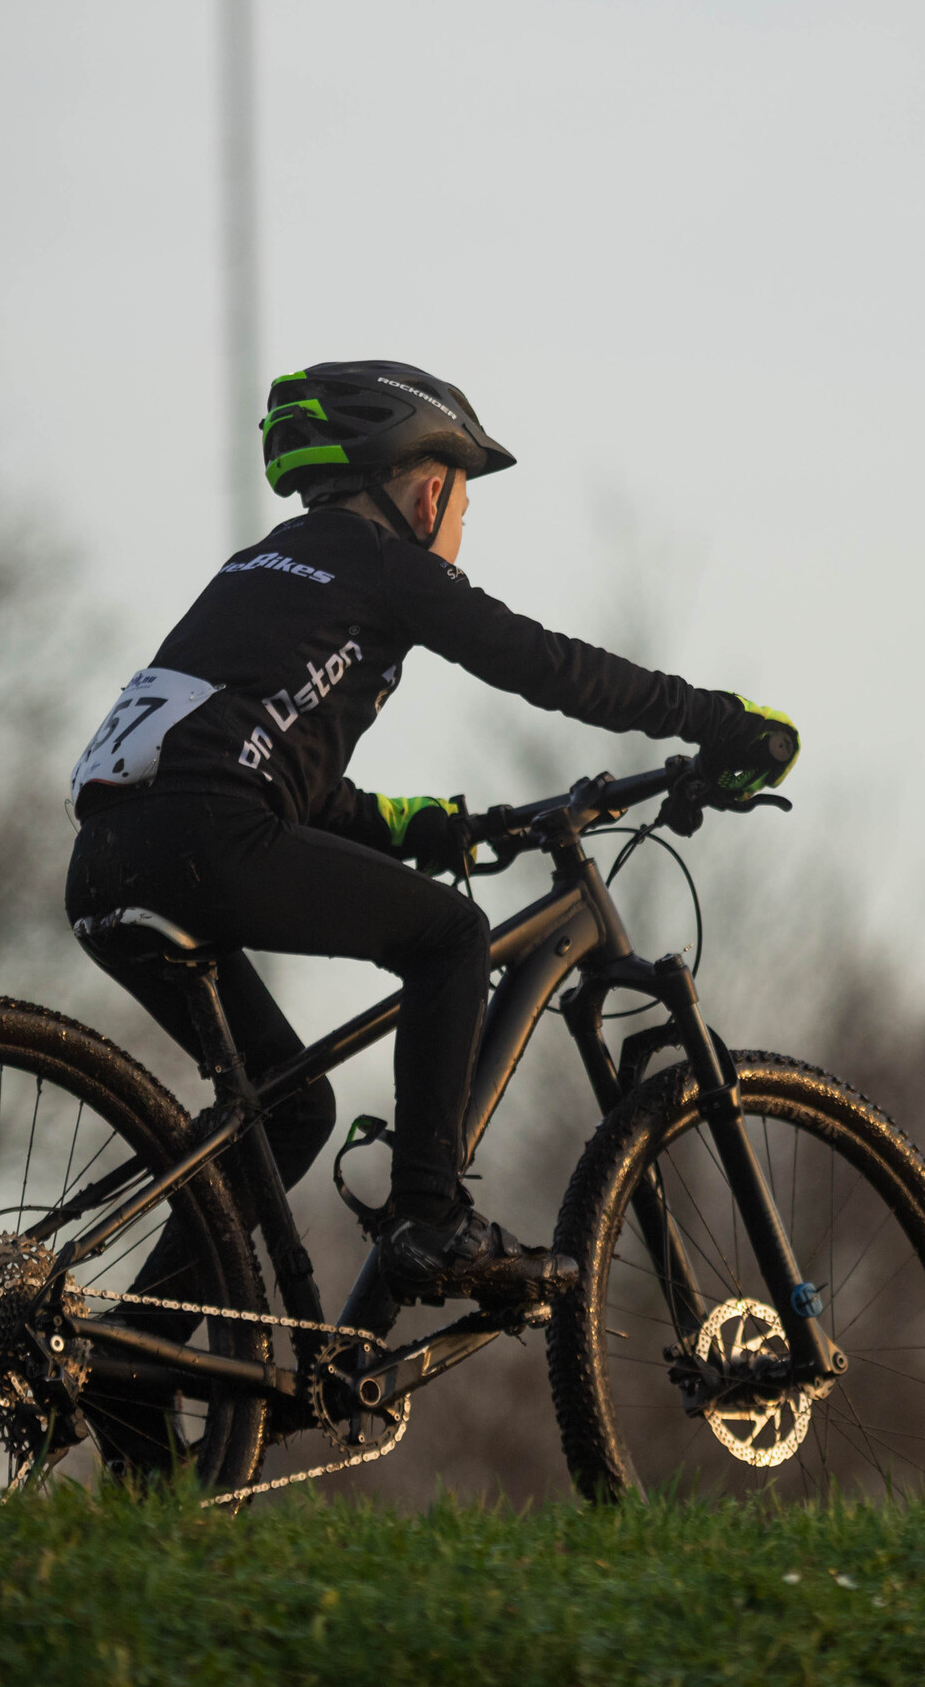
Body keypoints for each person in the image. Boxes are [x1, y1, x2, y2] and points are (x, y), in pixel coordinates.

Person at [64, 359, 797, 1309]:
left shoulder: (260, 568)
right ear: (425, 485)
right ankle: (431, 1219)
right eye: (462, 504)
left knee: (289, 1111)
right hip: (209, 836)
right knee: (450, 938)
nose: (459, 531)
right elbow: (548, 665)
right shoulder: (381, 564)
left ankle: (133, 1366)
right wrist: (716, 720)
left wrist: (436, 826)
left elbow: (286, 771)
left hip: (110, 859)